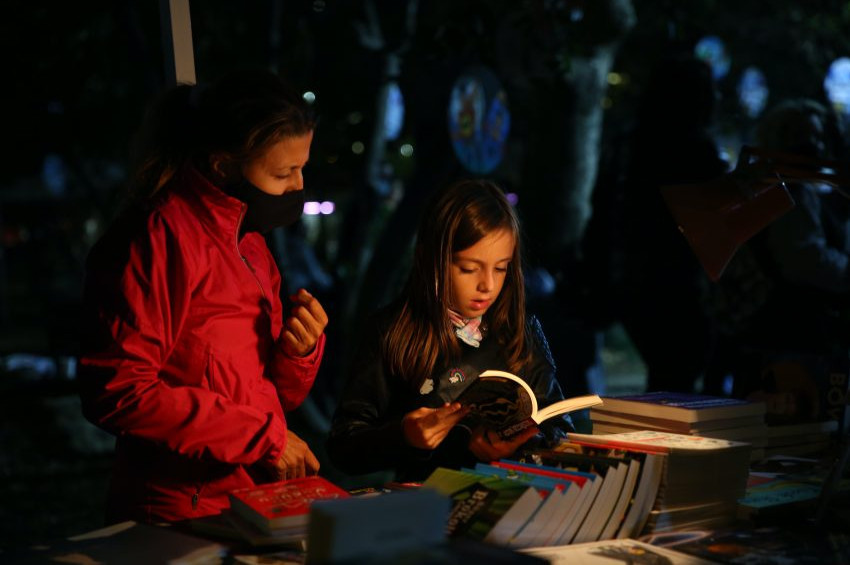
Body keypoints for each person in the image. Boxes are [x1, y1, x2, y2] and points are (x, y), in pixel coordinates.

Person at [77, 69, 328, 524]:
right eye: (283, 172)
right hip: (179, 510)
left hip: (251, 497)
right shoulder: (159, 237)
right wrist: (264, 438)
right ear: (222, 165)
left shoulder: (250, 242)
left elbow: (274, 395)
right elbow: (118, 390)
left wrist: (299, 351)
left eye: (302, 167)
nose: (297, 186)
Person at [325, 179, 572, 482]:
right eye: (469, 268)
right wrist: (405, 436)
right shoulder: (392, 332)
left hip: (514, 500)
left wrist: (526, 443)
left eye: (501, 267)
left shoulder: (519, 329)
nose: (488, 285)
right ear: (435, 260)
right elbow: (343, 446)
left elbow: (560, 425)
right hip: (425, 508)